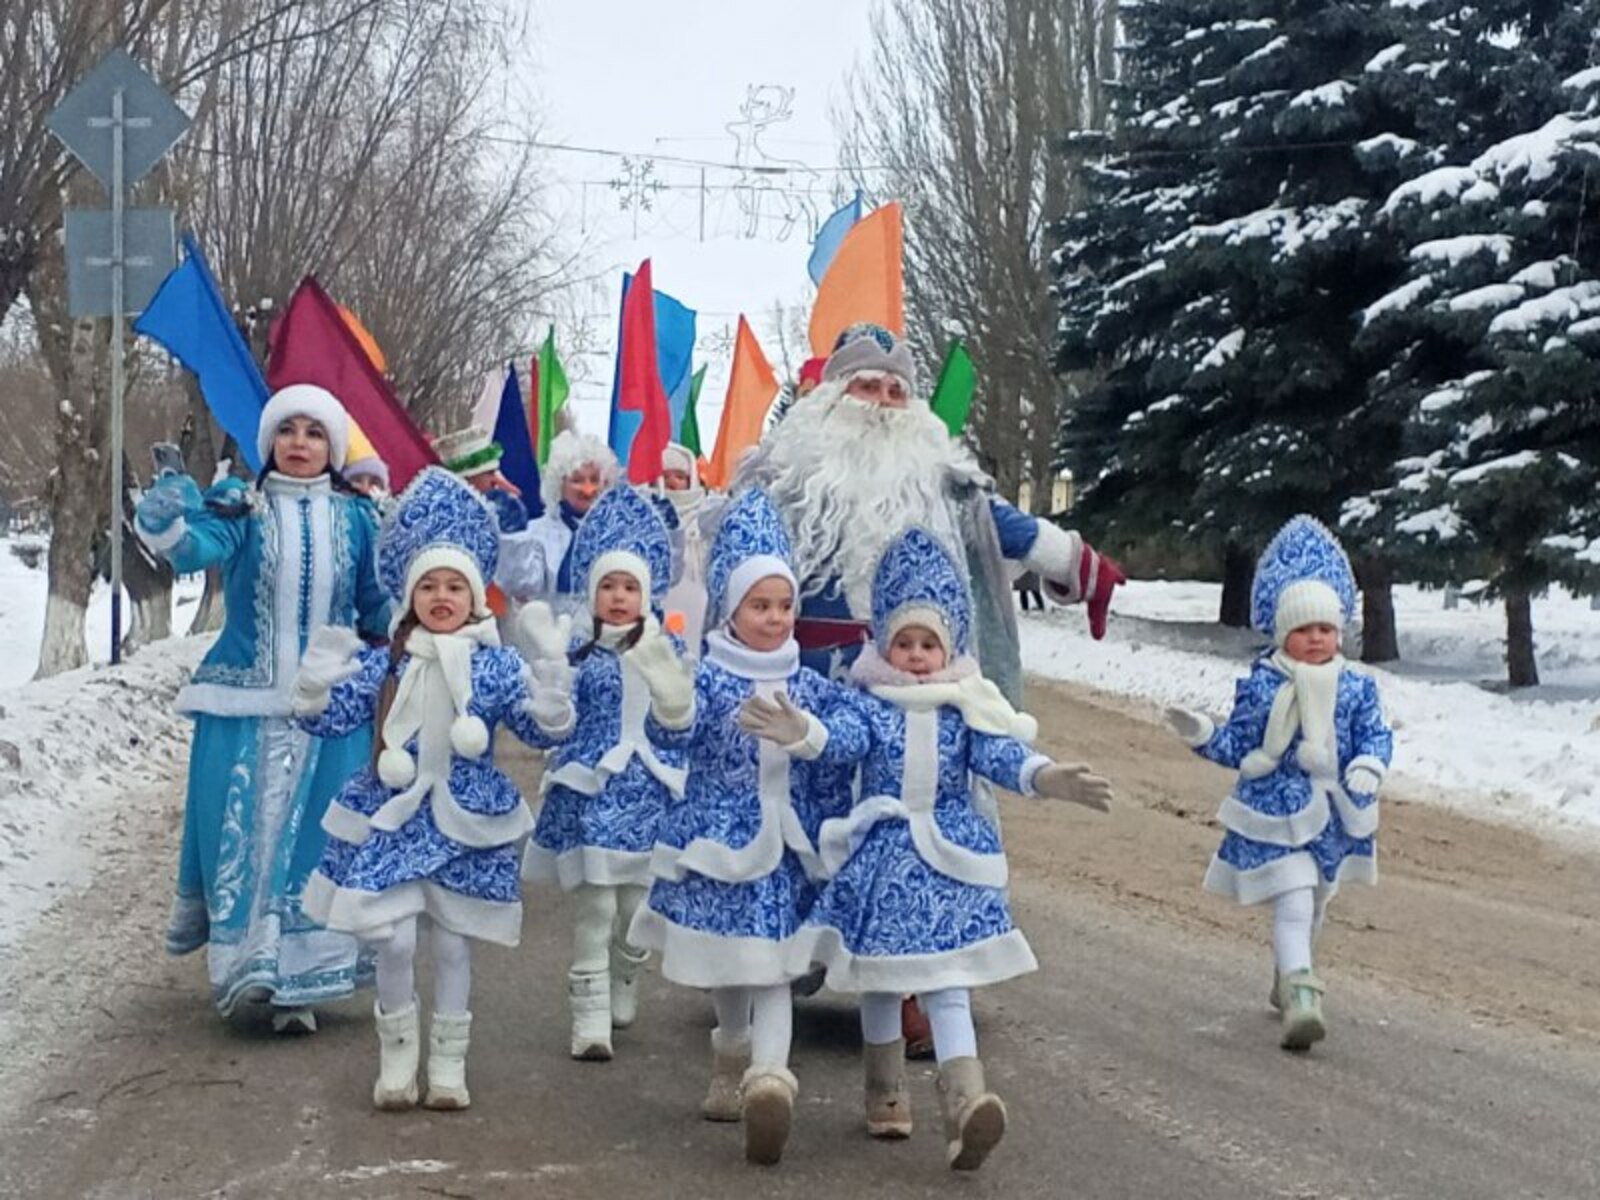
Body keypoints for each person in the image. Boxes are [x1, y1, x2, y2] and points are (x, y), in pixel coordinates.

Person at [786, 528, 1112, 1170]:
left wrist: (1046, 776)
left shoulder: (966, 709)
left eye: (927, 643)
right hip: (882, 856)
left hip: (947, 862)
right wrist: (806, 730)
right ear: (883, 643)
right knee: (879, 980)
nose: (913, 656)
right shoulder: (869, 703)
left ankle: (966, 1100)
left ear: (950, 646)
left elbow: (999, 753)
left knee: (947, 978)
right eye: (902, 643)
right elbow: (843, 740)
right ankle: (884, 1091)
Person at [293, 467, 572, 1108]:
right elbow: (330, 720)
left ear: (475, 595)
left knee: (451, 943)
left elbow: (540, 730)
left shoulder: (495, 663)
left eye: (455, 585)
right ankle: (397, 1056)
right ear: (410, 593)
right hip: (394, 817)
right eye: (429, 585)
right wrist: (314, 684)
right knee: (392, 937)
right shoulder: (384, 661)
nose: (441, 596)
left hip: (466, 821)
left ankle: (448, 1064)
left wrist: (552, 679)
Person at [133, 385, 392, 1030]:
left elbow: (377, 606)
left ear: (332, 447)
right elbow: (194, 551)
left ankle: (299, 980)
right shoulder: (243, 511)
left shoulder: (359, 518)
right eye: (288, 430)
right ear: (270, 442)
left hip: (330, 707)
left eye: (313, 432)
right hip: (244, 702)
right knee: (248, 832)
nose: (299, 443)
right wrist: (169, 518)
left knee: (316, 836)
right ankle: (249, 966)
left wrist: (427, 628)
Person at [625, 489, 870, 1166]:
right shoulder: (710, 679)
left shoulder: (808, 682)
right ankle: (730, 1061)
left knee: (774, 966)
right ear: (732, 611)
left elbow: (857, 733)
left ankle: (770, 1079)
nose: (775, 618)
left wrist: (810, 733)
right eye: (759, 606)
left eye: (784, 605)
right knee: (728, 968)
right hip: (720, 842)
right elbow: (675, 735)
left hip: (788, 850)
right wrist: (671, 706)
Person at [735, 322, 1124, 704]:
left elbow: (1001, 524)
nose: (884, 403)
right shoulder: (786, 479)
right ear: (833, 397)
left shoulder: (939, 479)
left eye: (895, 391)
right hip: (806, 686)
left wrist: (1082, 567)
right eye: (868, 387)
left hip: (914, 685)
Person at [1165, 515, 1392, 1051]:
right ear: (1284, 632)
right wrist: (1201, 733)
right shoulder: (1265, 686)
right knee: (1292, 897)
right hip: (1276, 810)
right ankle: (1302, 998)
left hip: (1335, 815)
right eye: (1304, 630)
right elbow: (1241, 747)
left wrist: (1369, 765)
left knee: (1316, 901)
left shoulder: (1357, 687)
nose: (1316, 639)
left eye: (1325, 629)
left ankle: (1287, 976)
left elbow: (1375, 737)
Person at [521, 485, 684, 1061]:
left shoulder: (670, 647)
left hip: (652, 789)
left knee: (636, 904)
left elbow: (683, 719)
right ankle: (587, 1014)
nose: (618, 597)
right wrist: (551, 680)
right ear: (592, 592)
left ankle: (626, 971)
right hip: (591, 786)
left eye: (630, 587)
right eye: (608, 586)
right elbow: (556, 723)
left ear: (647, 594)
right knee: (594, 905)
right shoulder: (577, 649)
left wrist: (676, 702)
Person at [498, 430, 619, 619]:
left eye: (594, 480)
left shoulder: (617, 531)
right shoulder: (537, 532)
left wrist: (671, 530)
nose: (588, 489)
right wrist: (511, 538)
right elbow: (521, 584)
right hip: (549, 638)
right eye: (577, 480)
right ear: (559, 484)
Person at [655, 441, 724, 658]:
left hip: (698, 604)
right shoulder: (648, 514)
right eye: (666, 476)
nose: (673, 483)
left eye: (680, 476)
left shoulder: (705, 514)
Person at [434, 423, 530, 536]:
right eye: (489, 473)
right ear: (467, 480)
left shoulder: (505, 507)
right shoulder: (447, 517)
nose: (495, 481)